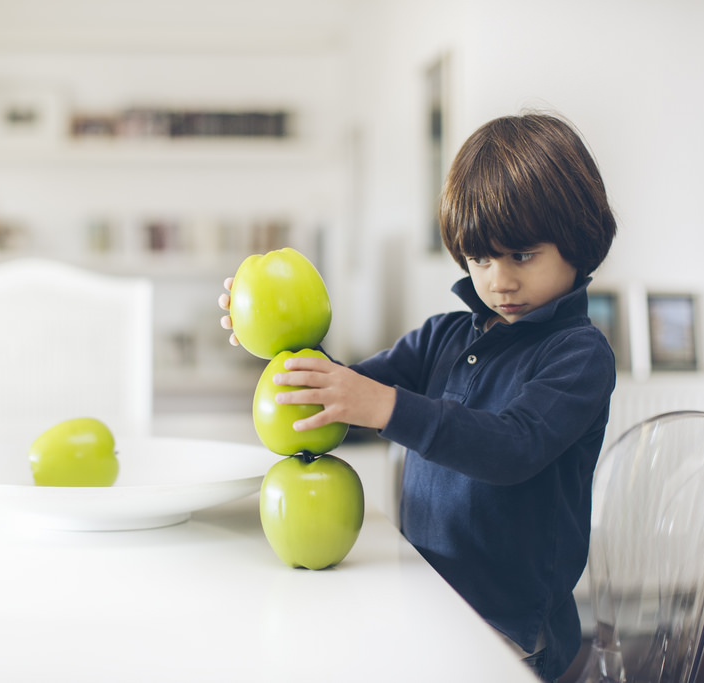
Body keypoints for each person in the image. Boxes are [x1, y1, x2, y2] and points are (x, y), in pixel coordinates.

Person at [219, 111, 617, 682]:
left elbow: (514, 446)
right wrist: (274, 335)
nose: (499, 279)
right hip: (422, 595)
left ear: (578, 240)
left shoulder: (578, 354)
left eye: (521, 256)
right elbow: (343, 401)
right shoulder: (443, 336)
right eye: (480, 258)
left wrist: (384, 405)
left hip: (506, 628)